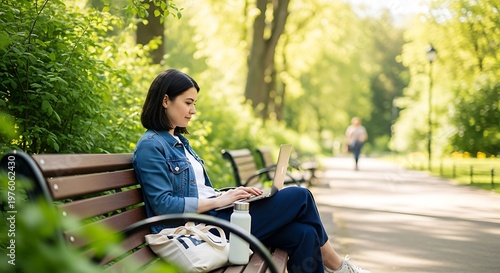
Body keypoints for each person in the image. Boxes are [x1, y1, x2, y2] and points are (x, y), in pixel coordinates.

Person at [132, 69, 371, 273]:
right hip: (202, 228)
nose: (193, 110)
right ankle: (338, 266)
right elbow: (163, 205)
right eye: (188, 102)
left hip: (219, 216)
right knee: (301, 196)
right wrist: (220, 201)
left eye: (194, 103)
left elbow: (201, 191)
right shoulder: (151, 147)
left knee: (305, 234)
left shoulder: (181, 143)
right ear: (165, 101)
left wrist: (231, 193)